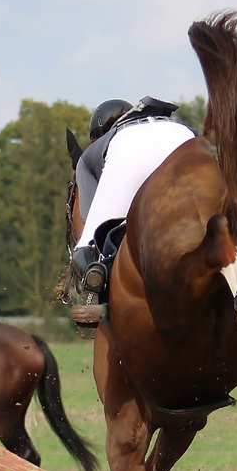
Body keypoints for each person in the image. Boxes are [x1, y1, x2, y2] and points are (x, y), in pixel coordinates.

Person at [68, 96, 197, 324]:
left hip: (128, 151)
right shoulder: (170, 125)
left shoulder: (103, 145)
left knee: (87, 244)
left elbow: (89, 218)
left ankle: (95, 290)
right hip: (187, 139)